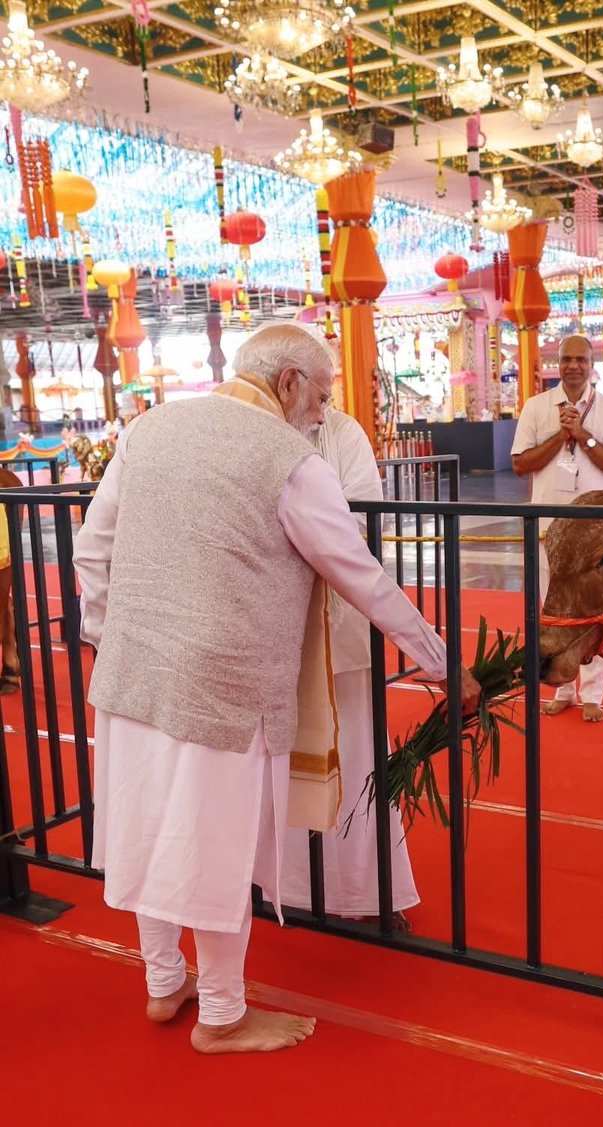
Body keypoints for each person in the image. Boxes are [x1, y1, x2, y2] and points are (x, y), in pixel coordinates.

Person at [73, 324, 480, 1056]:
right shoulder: (291, 461)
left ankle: (165, 980)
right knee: (214, 844)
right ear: (289, 382)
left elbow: (90, 545)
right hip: (226, 689)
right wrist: (441, 660)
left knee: (149, 825)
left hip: (132, 673)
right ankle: (222, 1013)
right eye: (321, 397)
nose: (324, 415)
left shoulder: (149, 427)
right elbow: (360, 574)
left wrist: (110, 634)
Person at [276, 407, 419, 932]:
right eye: (316, 388)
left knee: (356, 754)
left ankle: (364, 891)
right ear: (288, 381)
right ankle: (281, 884)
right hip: (266, 630)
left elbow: (357, 523)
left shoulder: (343, 432)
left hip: (337, 618)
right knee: (270, 763)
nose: (322, 401)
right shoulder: (249, 425)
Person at [511, 335, 603, 722]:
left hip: (594, 536)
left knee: (596, 612)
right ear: (557, 364)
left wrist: (583, 436)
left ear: (593, 363)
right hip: (549, 529)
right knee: (552, 610)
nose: (573, 365)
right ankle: (562, 687)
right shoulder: (537, 406)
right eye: (566, 359)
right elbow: (520, 463)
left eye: (581, 359)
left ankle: (594, 693)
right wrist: (560, 436)